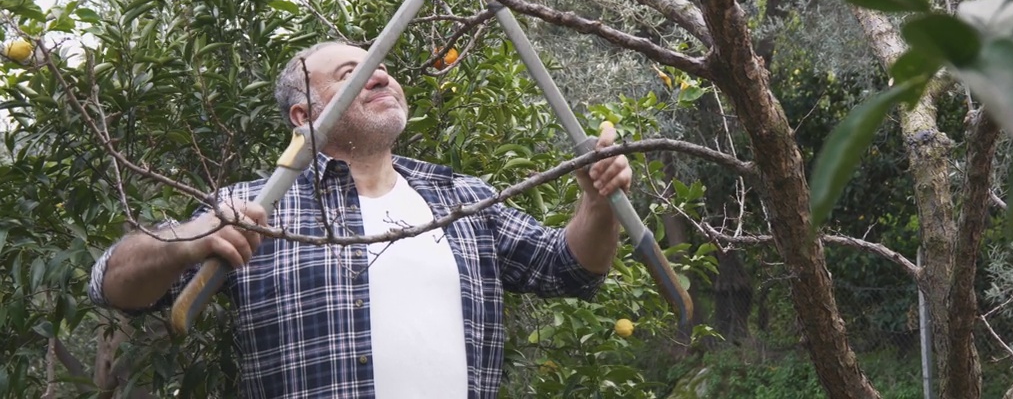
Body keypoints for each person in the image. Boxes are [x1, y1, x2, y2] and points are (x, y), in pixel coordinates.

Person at [88, 41, 631, 399]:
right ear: (305, 116)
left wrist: (597, 203)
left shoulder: (464, 198)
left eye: (384, 71)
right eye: (354, 74)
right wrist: (188, 239)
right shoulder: (256, 209)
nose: (382, 78)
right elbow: (110, 284)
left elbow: (571, 271)